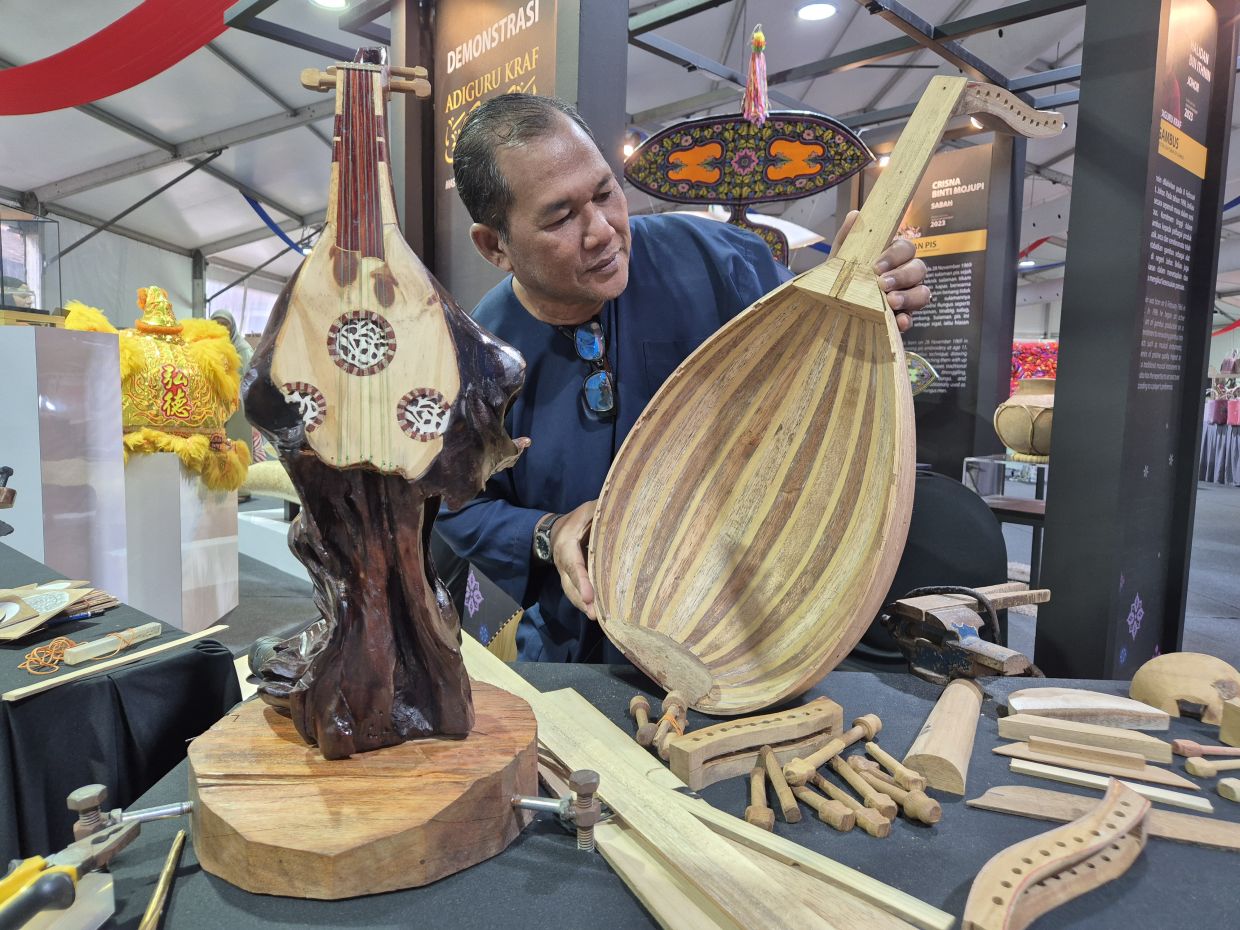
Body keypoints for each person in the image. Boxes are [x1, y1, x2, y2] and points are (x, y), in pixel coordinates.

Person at [436, 94, 929, 662]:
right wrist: (550, 531)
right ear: (494, 245)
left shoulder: (717, 260)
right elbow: (460, 507)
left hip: (754, 621)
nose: (602, 232)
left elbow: (815, 377)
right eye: (561, 217)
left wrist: (860, 301)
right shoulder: (478, 359)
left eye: (605, 193)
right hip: (586, 645)